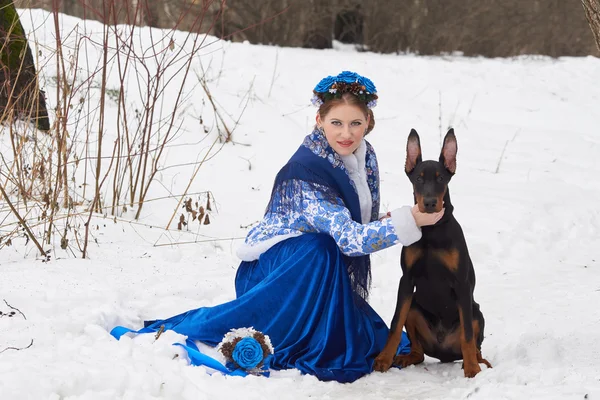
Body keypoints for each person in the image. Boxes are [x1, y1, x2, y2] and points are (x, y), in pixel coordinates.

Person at [112, 71, 444, 383]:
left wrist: (390, 221)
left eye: (356, 123)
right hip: (275, 273)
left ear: (369, 122)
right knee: (322, 247)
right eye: (336, 123)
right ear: (319, 120)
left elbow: (359, 224)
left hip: (315, 269)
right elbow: (347, 239)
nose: (347, 133)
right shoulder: (306, 171)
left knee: (359, 324)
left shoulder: (364, 157)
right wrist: (409, 220)